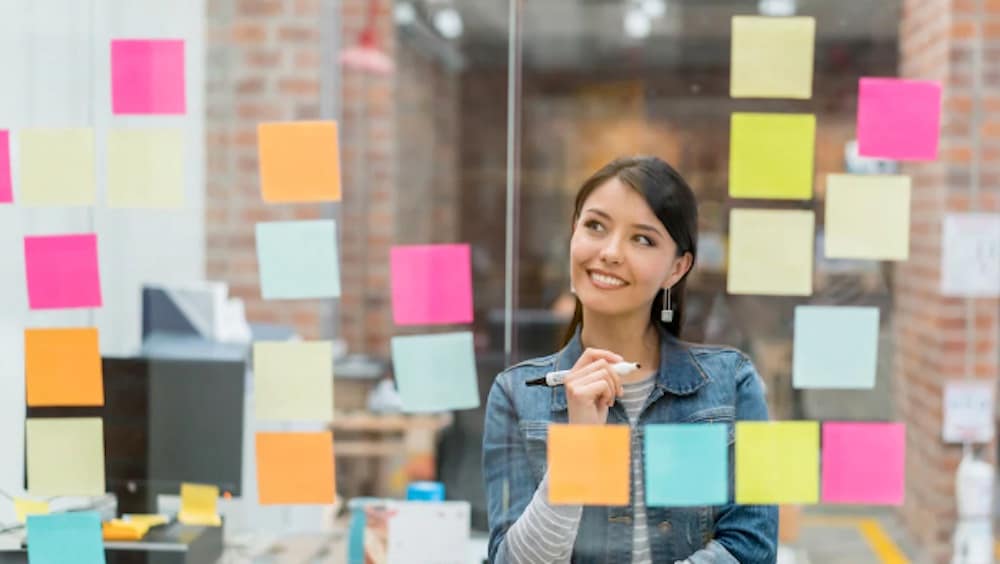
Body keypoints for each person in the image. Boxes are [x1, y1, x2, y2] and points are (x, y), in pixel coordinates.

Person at [482, 156, 778, 563]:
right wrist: (579, 448)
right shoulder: (517, 394)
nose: (610, 252)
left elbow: (751, 549)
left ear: (677, 268)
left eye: (642, 239)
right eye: (595, 226)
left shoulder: (732, 384)